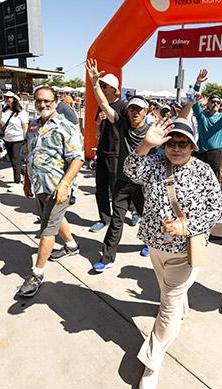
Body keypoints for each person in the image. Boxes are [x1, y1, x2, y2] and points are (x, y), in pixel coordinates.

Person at [123, 118, 222, 389]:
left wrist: (187, 226)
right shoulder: (154, 163)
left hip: (187, 250)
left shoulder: (203, 171)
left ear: (192, 145)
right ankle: (181, 304)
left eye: (183, 143)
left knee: (167, 306)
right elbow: (130, 171)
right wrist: (146, 144)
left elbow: (216, 209)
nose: (176, 148)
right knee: (171, 295)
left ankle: (152, 363)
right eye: (171, 143)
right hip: (155, 245)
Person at [16, 86, 84, 297]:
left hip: (58, 188)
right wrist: (27, 180)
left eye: (47, 101)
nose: (42, 105)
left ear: (56, 102)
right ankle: (72, 246)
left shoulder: (66, 126)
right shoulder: (34, 126)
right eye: (38, 101)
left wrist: (64, 185)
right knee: (52, 218)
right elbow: (29, 154)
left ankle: (37, 274)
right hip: (39, 185)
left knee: (47, 229)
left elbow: (77, 159)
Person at [87, 58, 151, 272]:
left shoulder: (152, 132)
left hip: (142, 184)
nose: (134, 112)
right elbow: (104, 104)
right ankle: (107, 257)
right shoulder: (122, 124)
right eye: (131, 109)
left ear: (146, 113)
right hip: (123, 182)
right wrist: (95, 83)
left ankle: (149, 243)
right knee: (117, 219)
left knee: (148, 217)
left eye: (138, 110)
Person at [85, 60, 127, 233]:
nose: (102, 88)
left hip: (117, 155)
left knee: (117, 191)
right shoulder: (102, 106)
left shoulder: (123, 107)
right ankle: (104, 218)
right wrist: (98, 124)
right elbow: (97, 128)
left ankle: (124, 217)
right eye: (101, 85)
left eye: (105, 86)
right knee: (100, 189)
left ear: (115, 89)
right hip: (102, 152)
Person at [0, 91, 29, 192]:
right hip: (7, 138)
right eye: (6, 97)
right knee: (12, 160)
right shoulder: (4, 111)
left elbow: (25, 125)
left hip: (18, 139)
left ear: (14, 99)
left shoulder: (21, 112)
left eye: (10, 97)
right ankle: (27, 175)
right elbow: (1, 124)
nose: (8, 99)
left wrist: (25, 138)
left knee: (16, 161)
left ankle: (17, 182)